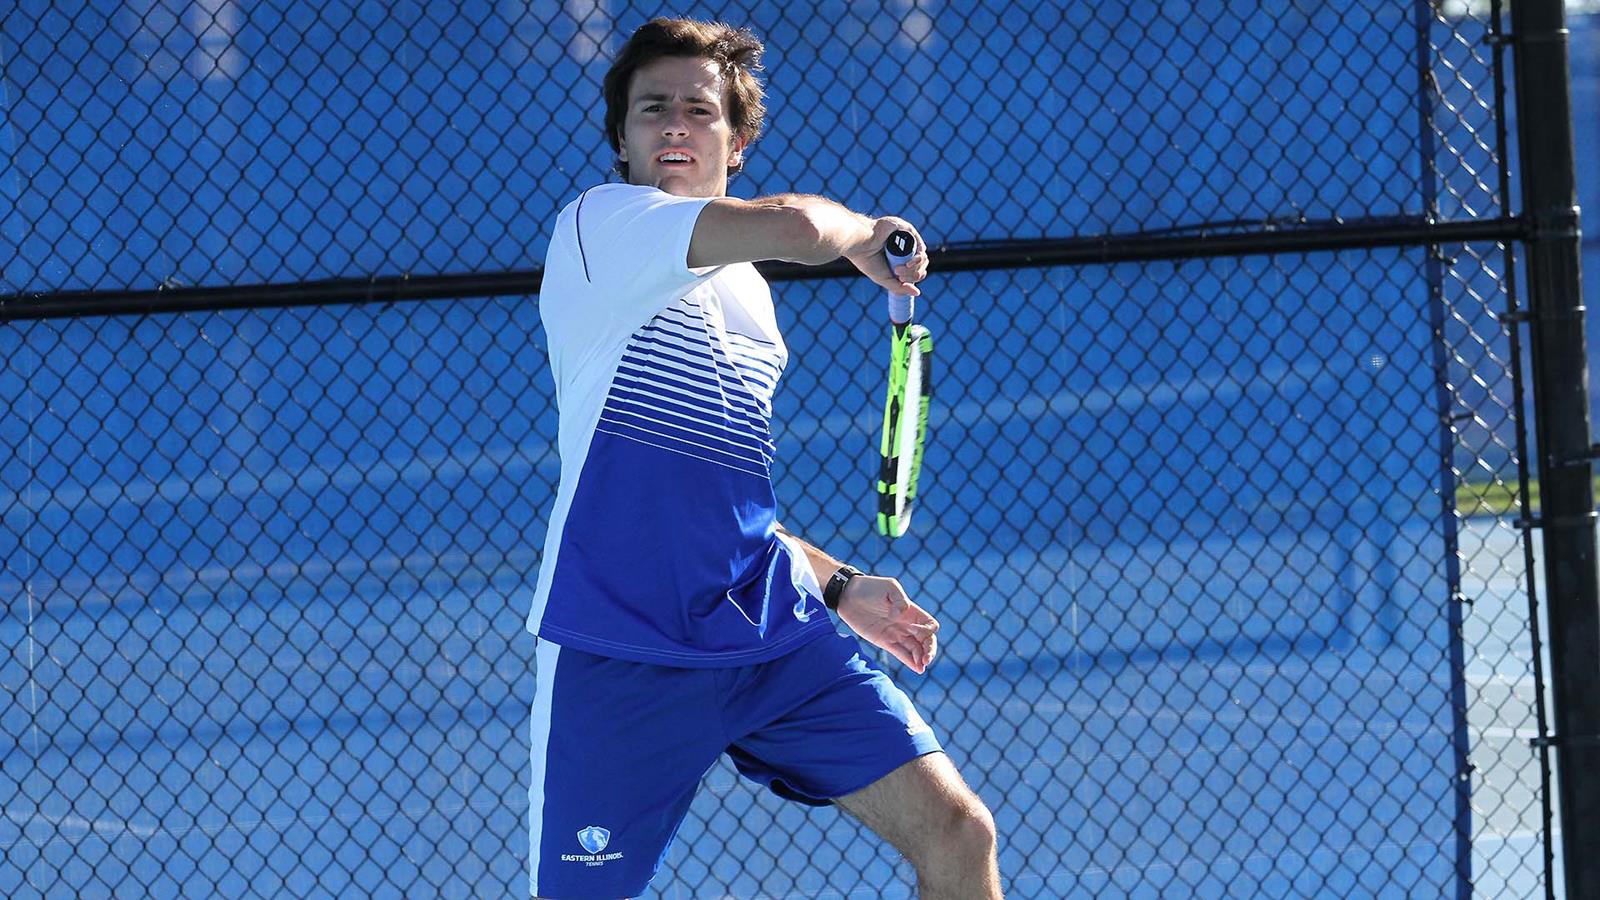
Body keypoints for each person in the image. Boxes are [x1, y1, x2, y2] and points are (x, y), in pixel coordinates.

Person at [527, 17, 1001, 900]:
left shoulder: (749, 305)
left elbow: (725, 504)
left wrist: (837, 584)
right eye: (651, 110)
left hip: (768, 632)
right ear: (621, 141)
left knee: (958, 832)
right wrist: (865, 232)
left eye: (699, 111)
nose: (674, 125)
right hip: (622, 650)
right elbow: (794, 225)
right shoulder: (602, 227)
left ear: (736, 142)